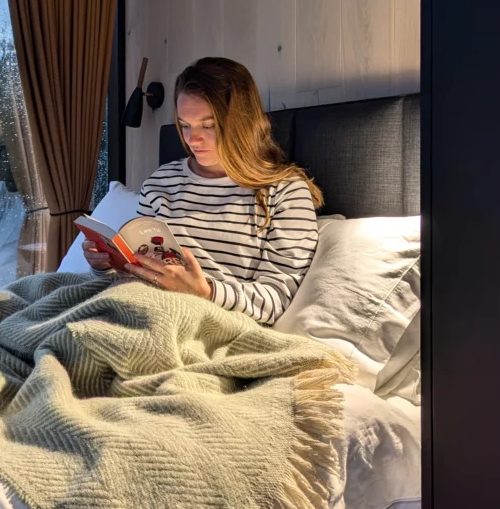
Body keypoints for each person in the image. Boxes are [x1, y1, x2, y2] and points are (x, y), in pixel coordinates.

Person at [83, 57, 322, 325]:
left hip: (210, 326)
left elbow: (275, 300)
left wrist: (205, 292)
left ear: (242, 122)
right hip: (141, 310)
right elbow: (136, 274)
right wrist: (103, 267)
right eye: (184, 125)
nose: (191, 139)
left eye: (208, 126)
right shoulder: (160, 182)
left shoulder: (285, 192)